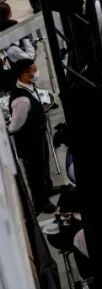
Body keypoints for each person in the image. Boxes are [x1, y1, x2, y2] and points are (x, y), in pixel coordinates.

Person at [7, 59, 55, 213]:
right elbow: (16, 125)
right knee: (35, 172)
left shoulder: (29, 87)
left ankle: (48, 189)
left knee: (44, 165)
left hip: (38, 135)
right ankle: (41, 203)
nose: (36, 72)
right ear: (24, 74)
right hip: (29, 142)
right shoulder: (21, 100)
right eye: (34, 70)